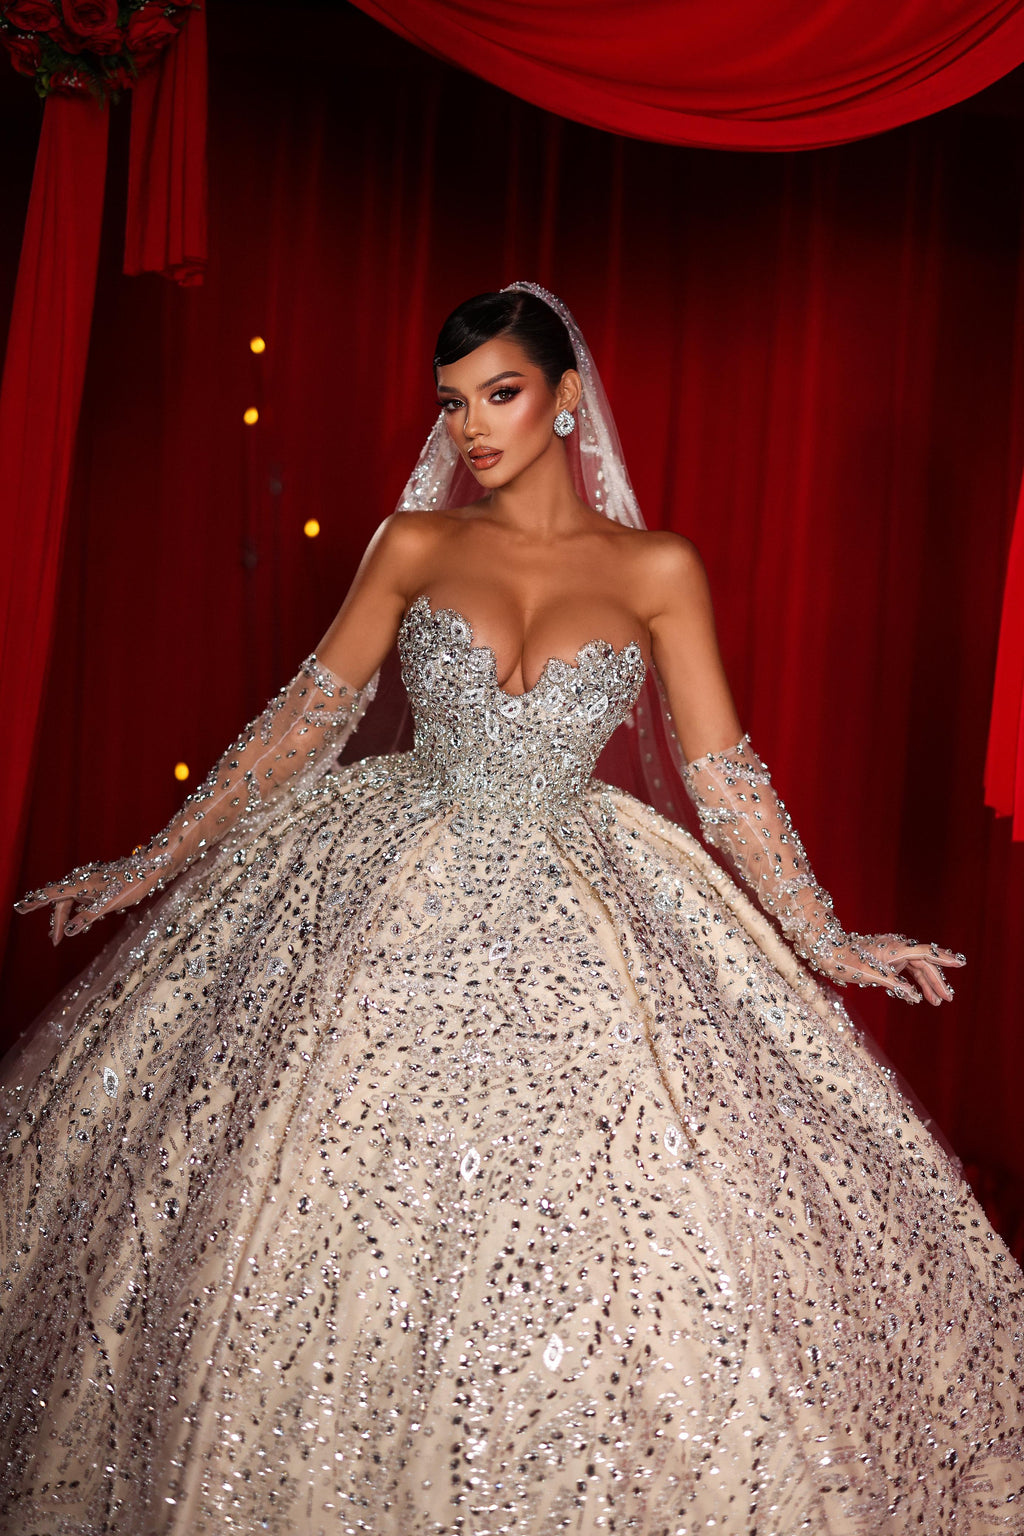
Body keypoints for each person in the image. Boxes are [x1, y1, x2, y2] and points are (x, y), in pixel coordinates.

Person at [0, 281, 1019, 1536]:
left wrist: (824, 938)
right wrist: (151, 863)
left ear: (565, 397)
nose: (472, 427)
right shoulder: (413, 544)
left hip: (578, 898)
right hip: (386, 881)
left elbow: (722, 775)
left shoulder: (657, 568)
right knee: (312, 1182)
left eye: (500, 394)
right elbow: (302, 728)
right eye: (453, 403)